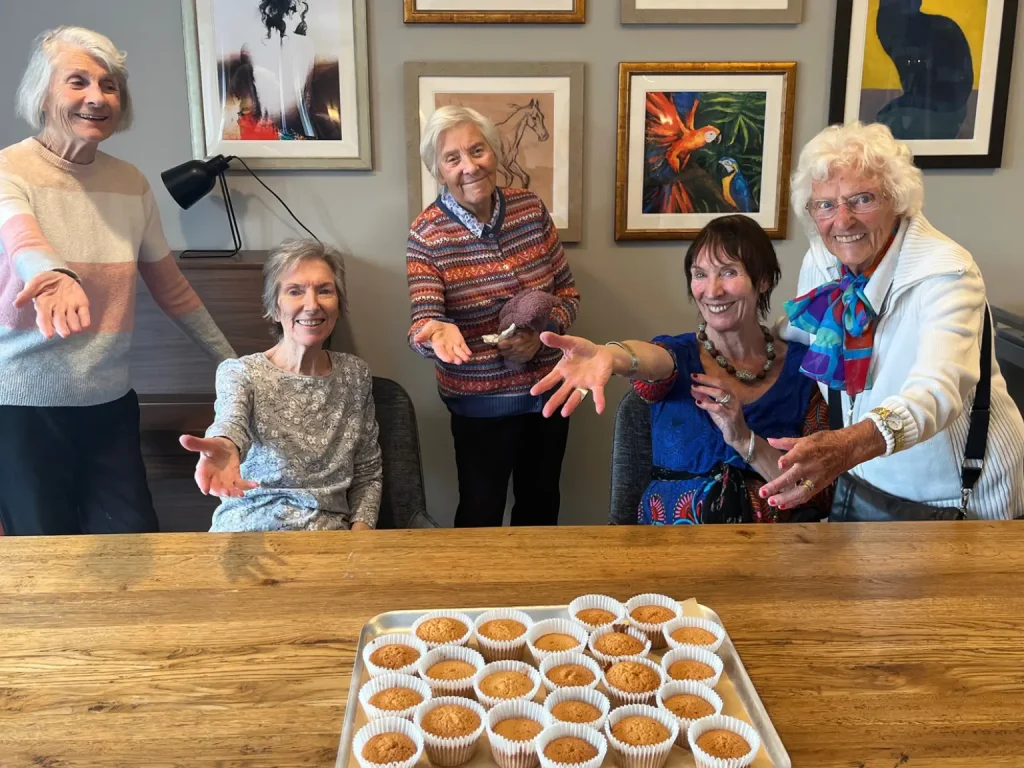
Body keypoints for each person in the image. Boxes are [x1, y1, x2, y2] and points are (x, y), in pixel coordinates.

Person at [0, 27, 234, 536]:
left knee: (132, 542)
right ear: (43, 93)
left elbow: (172, 289)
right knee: (44, 554)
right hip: (22, 408)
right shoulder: (8, 170)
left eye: (109, 86)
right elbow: (22, 238)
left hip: (109, 403)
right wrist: (52, 274)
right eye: (78, 81)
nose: (97, 97)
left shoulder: (131, 184)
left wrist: (234, 364)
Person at [759, 122, 1024, 519]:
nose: (842, 221)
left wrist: (846, 446)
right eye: (825, 205)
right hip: (869, 482)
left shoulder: (946, 272)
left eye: (862, 199)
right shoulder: (823, 259)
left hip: (961, 495)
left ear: (898, 200)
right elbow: (806, 328)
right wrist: (736, 342)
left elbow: (936, 390)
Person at [532, 215, 830, 524]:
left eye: (728, 272)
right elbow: (647, 358)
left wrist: (743, 439)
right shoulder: (676, 356)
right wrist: (610, 354)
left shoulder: (805, 370)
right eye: (700, 274)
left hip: (773, 547)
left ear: (764, 279)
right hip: (669, 546)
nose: (712, 291)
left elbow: (814, 492)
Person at [407, 105, 580, 528]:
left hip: (548, 393)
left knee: (541, 509)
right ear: (438, 170)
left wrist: (543, 331)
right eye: (452, 158)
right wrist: (437, 333)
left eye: (477, 150)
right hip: (479, 404)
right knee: (479, 514)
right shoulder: (427, 234)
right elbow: (422, 323)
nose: (469, 167)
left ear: (494, 152)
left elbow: (569, 295)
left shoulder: (530, 209)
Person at [181, 239, 382, 532]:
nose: (312, 305)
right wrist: (224, 444)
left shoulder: (355, 375)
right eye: (295, 291)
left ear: (338, 305)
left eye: (324, 290)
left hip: (328, 537)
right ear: (274, 308)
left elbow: (368, 472)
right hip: (247, 529)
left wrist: (360, 539)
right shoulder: (241, 372)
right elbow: (230, 422)